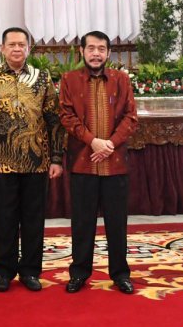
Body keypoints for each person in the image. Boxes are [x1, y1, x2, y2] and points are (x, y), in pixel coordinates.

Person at [0, 27, 65, 292]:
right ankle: (3, 271)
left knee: (33, 219)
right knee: (2, 218)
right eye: (11, 44)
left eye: (21, 45)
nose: (16, 49)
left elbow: (54, 119)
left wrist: (56, 158)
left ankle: (30, 271)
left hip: (37, 161)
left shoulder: (42, 78)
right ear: (2, 48)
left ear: (28, 48)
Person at [59, 31, 138, 294]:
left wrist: (110, 144)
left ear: (108, 53)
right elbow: (66, 116)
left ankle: (120, 274)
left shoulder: (121, 79)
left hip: (115, 163)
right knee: (82, 223)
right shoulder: (69, 80)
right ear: (82, 52)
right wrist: (93, 141)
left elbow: (130, 117)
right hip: (83, 162)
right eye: (91, 48)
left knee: (117, 222)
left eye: (101, 49)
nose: (96, 53)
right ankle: (79, 273)